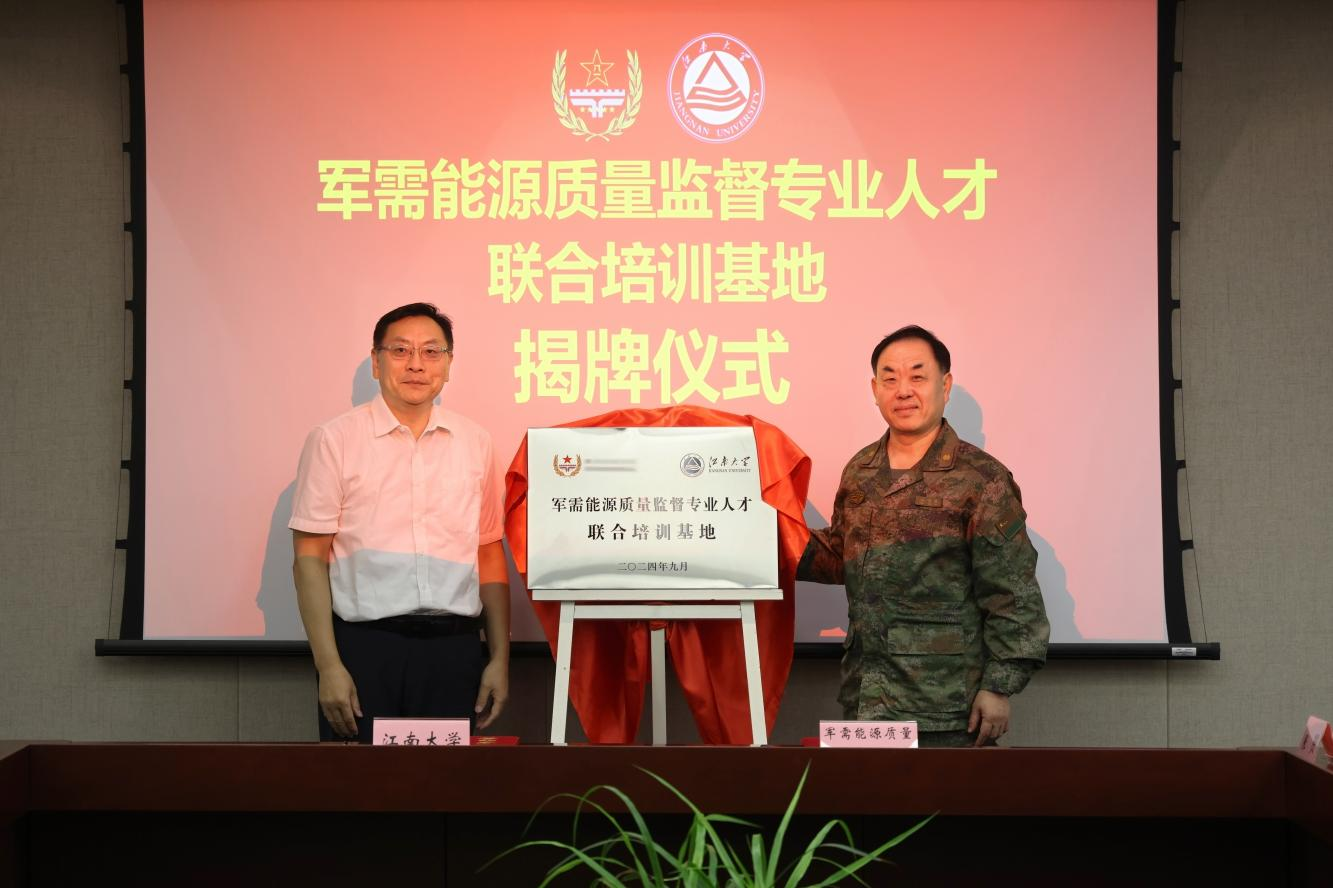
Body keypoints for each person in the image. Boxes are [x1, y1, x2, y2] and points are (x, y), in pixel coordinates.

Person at [798, 325, 1049, 747]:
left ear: (944, 386)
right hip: (866, 699)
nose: (903, 391)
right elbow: (843, 555)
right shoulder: (860, 470)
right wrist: (762, 540)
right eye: (890, 378)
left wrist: (999, 686)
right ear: (875, 389)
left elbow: (1013, 593)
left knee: (943, 794)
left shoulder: (980, 478)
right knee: (870, 794)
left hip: (947, 707)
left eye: (917, 376)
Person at [289, 303, 508, 742]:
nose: (416, 364)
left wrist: (500, 658)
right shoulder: (334, 440)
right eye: (400, 350)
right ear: (376, 361)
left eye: (431, 351)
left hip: (454, 652)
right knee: (362, 784)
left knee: (447, 782)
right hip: (364, 652)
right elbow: (309, 558)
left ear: (448, 364)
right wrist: (328, 666)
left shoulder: (475, 442)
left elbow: (487, 553)